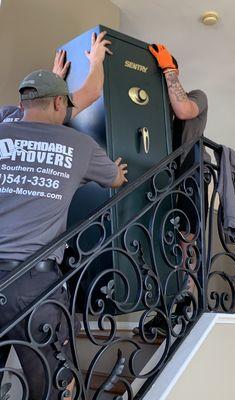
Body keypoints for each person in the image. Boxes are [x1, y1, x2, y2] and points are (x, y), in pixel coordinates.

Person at [0, 70, 128, 399]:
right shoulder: (79, 145)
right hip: (33, 287)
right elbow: (115, 179)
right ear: (59, 102)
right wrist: (117, 171)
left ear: (20, 104)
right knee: (56, 387)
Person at [133, 44, 209, 336]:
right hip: (165, 181)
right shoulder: (155, 113)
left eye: (162, 74)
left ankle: (190, 305)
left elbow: (183, 109)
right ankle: (167, 308)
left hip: (191, 174)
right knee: (162, 246)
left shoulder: (196, 97)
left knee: (187, 242)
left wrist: (168, 70)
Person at [0, 31, 112, 123]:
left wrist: (55, 82)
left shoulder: (6, 114)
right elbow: (92, 91)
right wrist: (96, 60)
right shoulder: (52, 112)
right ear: (57, 102)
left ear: (21, 105)